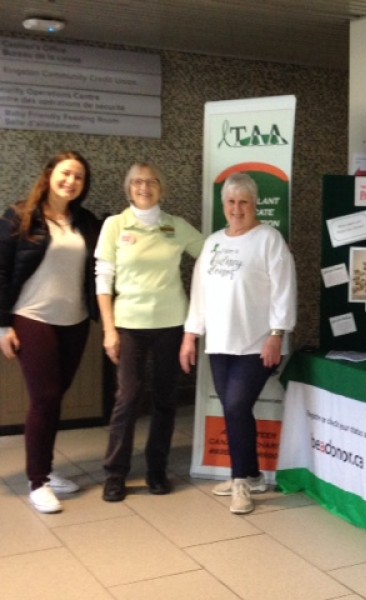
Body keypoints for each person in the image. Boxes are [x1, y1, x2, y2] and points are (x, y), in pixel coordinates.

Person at [180, 172, 296, 515]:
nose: (237, 208)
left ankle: (241, 482)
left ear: (255, 203)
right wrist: (191, 335)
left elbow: (285, 290)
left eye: (243, 201)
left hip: (258, 343)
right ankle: (251, 474)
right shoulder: (214, 242)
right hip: (219, 343)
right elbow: (199, 294)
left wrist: (278, 334)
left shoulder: (269, 239)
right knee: (235, 409)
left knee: (234, 406)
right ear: (223, 205)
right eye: (231, 202)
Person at [95, 162, 204, 502]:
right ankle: (115, 474)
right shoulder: (115, 226)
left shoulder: (176, 226)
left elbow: (214, 252)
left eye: (152, 181)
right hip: (129, 325)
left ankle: (157, 470)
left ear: (162, 188)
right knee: (127, 399)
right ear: (129, 188)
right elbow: (103, 279)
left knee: (165, 400)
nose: (144, 187)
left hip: (171, 323)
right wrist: (109, 330)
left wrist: (262, 246)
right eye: (137, 182)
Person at [0, 151, 100, 514]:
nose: (71, 181)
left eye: (78, 177)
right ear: (49, 174)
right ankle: (37, 481)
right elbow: (1, 270)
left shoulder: (85, 221)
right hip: (32, 317)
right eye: (65, 173)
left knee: (55, 396)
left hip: (73, 321)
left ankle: (46, 468)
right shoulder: (20, 215)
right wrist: (2, 325)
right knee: (44, 398)